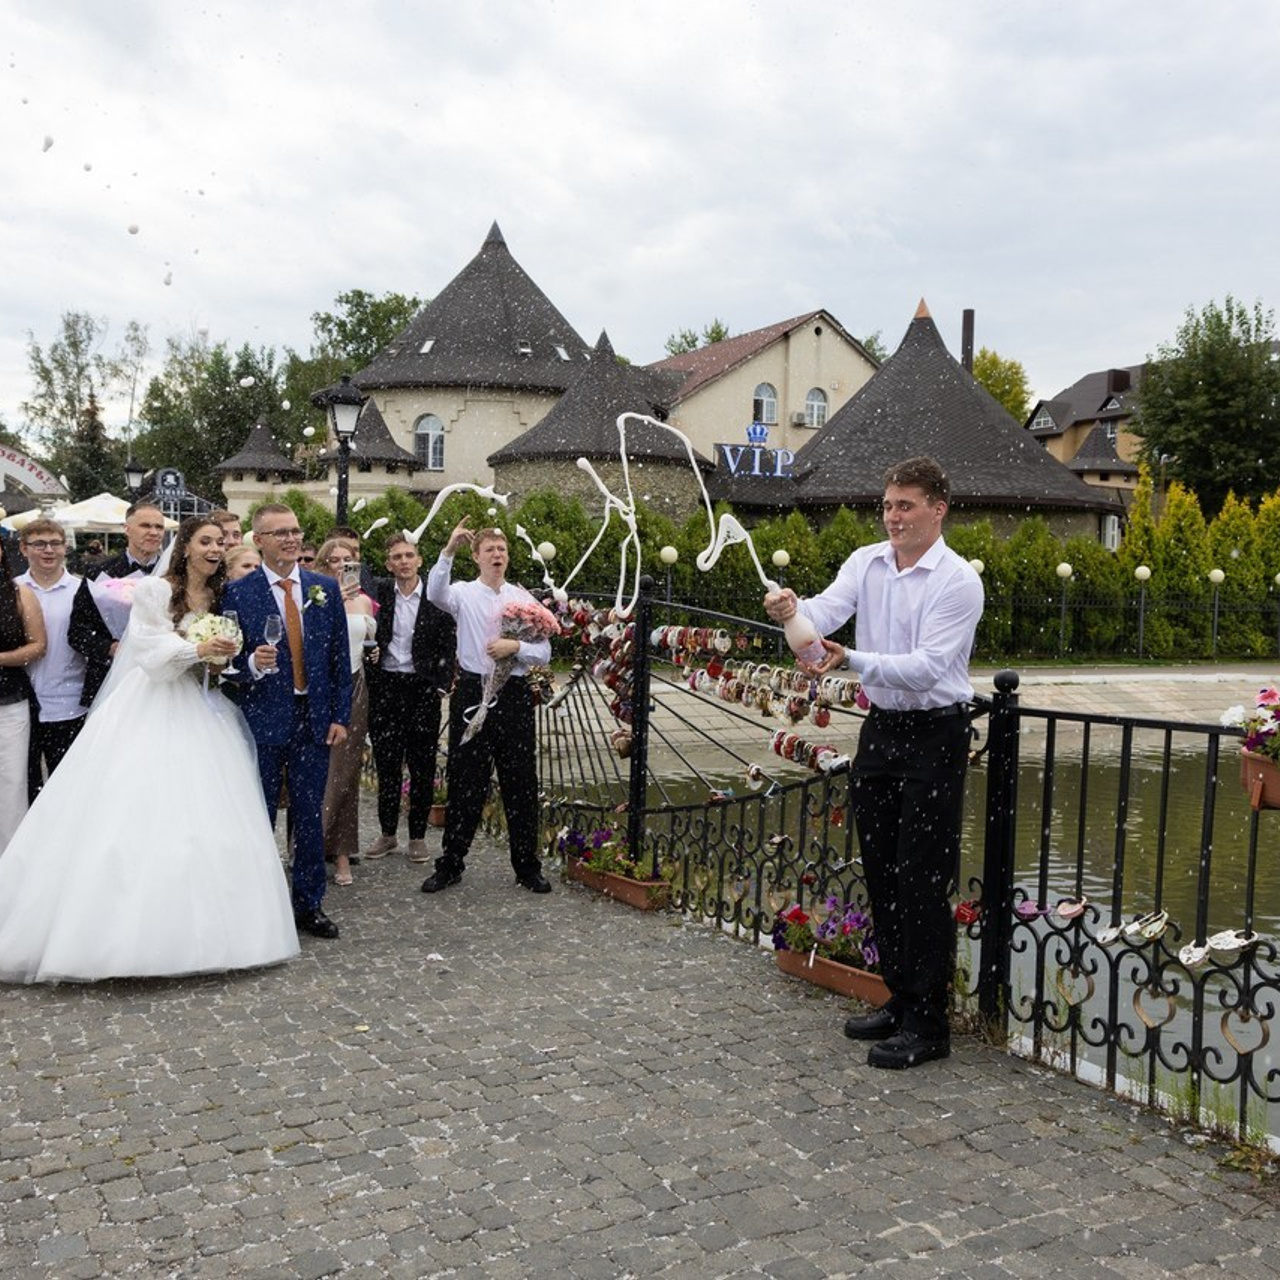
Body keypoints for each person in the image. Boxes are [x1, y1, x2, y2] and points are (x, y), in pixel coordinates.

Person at [0, 516, 299, 982]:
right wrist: (195, 651)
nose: (215, 549)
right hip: (151, 706)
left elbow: (227, 664)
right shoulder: (156, 592)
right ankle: (119, 939)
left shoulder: (225, 597)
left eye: (220, 542)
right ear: (184, 548)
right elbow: (147, 653)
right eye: (205, 541)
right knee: (136, 812)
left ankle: (216, 934)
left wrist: (235, 662)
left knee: (210, 817)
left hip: (205, 710)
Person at [764, 456, 983, 1070]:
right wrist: (792, 611)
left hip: (937, 734)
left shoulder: (959, 581)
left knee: (921, 878)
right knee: (883, 871)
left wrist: (850, 660)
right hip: (883, 730)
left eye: (905, 505)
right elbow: (825, 615)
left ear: (938, 510)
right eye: (888, 505)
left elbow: (929, 667)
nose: (892, 516)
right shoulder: (866, 562)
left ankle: (930, 1023)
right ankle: (899, 997)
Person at [224, 503, 352, 940]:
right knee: (258, 814)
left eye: (295, 531)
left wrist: (339, 715)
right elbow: (226, 662)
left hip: (313, 720)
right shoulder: (238, 593)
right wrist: (251, 664)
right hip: (262, 717)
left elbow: (339, 658)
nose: (291, 539)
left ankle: (308, 904)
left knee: (309, 815)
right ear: (258, 541)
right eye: (280, 533)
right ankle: (257, 903)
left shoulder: (323, 589)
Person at [422, 520, 551, 894]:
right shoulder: (462, 593)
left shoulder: (523, 600)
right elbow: (434, 592)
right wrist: (448, 550)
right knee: (466, 782)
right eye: (490, 550)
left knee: (521, 782)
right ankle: (451, 863)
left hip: (512, 694)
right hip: (472, 693)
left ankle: (527, 866)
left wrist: (517, 649)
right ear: (477, 557)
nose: (497, 555)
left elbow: (544, 650)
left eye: (502, 550)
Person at [363, 534, 455, 865]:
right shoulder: (379, 595)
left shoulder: (434, 597)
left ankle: (417, 836)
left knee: (422, 764)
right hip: (386, 686)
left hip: (422, 688)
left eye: (409, 555)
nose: (403, 561)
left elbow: (448, 643)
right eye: (396, 557)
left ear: (419, 560)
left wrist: (441, 684)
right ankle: (388, 833)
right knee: (387, 764)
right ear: (389, 564)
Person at [315, 537, 376, 887]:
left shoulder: (363, 600)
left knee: (345, 774)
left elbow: (365, 643)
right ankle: (309, 846)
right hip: (321, 690)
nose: (340, 565)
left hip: (355, 688)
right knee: (316, 773)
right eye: (334, 560)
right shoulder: (316, 597)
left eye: (348, 560)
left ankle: (341, 853)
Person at [15, 519, 89, 799]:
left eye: (55, 543)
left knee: (66, 788)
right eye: (39, 544)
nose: (49, 550)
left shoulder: (82, 591)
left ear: (64, 547)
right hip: (21, 703)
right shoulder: (12, 590)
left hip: (69, 704)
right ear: (24, 549)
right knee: (22, 786)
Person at [68, 500, 168, 706]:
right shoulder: (99, 573)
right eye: (145, 525)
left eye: (159, 527)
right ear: (127, 529)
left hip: (162, 679)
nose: (154, 532)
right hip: (108, 679)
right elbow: (77, 631)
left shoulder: (174, 574)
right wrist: (110, 648)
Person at [0, 537, 46, 854]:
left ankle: (10, 859)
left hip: (8, 701)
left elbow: (37, 646)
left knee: (11, 784)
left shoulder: (19, 594)